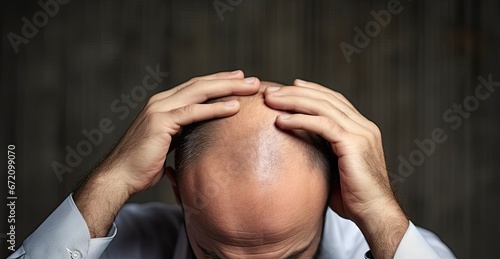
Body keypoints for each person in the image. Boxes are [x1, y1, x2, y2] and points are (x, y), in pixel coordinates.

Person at [9, 71, 455, 259]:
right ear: (179, 192)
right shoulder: (123, 246)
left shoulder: (392, 246)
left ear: (336, 195)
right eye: (216, 256)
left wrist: (381, 213)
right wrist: (110, 179)